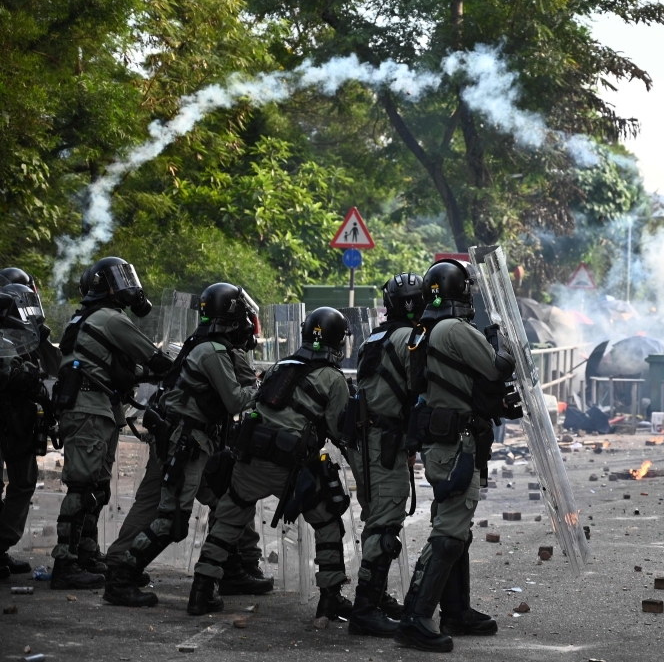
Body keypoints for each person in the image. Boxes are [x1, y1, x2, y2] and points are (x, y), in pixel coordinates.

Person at [186, 307, 353, 617]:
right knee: (328, 522)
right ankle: (330, 597)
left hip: (251, 460)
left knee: (227, 521)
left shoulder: (281, 366)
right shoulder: (333, 378)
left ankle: (201, 591)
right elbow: (337, 429)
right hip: (292, 468)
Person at [102, 282, 260, 606]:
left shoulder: (204, 343)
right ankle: (121, 580)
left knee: (224, 502)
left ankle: (225, 572)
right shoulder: (213, 351)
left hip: (180, 438)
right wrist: (263, 390)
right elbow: (234, 401)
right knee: (170, 520)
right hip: (186, 444)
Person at [394, 259, 516, 653]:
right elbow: (498, 369)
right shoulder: (453, 329)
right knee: (448, 534)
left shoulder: (428, 327)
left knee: (456, 530)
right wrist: (502, 340)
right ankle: (415, 619)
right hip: (453, 442)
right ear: (460, 291)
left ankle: (455, 611)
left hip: (447, 437)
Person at [49, 257, 172, 590]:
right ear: (106, 286)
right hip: (89, 408)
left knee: (97, 487)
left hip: (96, 407)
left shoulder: (87, 317)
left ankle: (85, 554)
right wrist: (183, 368)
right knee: (82, 486)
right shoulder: (109, 319)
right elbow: (153, 358)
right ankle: (65, 563)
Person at [346, 273, 424, 637]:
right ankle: (364, 608)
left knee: (379, 516)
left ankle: (374, 598)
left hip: (371, 440)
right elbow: (419, 390)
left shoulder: (371, 340)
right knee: (384, 523)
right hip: (388, 440)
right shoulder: (411, 340)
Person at [0, 275, 54, 579]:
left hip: (18, 421)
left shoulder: (26, 336)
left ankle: (1, 546)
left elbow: (52, 365)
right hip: (6, 418)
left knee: (23, 483)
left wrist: (40, 335)